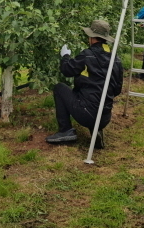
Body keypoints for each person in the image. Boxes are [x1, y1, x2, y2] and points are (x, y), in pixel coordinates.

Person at [46, 20, 123, 149]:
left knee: (60, 88)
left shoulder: (87, 55)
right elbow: (117, 90)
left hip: (87, 113)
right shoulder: (115, 58)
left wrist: (65, 56)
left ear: (91, 37)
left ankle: (65, 131)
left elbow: (66, 70)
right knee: (91, 96)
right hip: (105, 116)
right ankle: (96, 130)